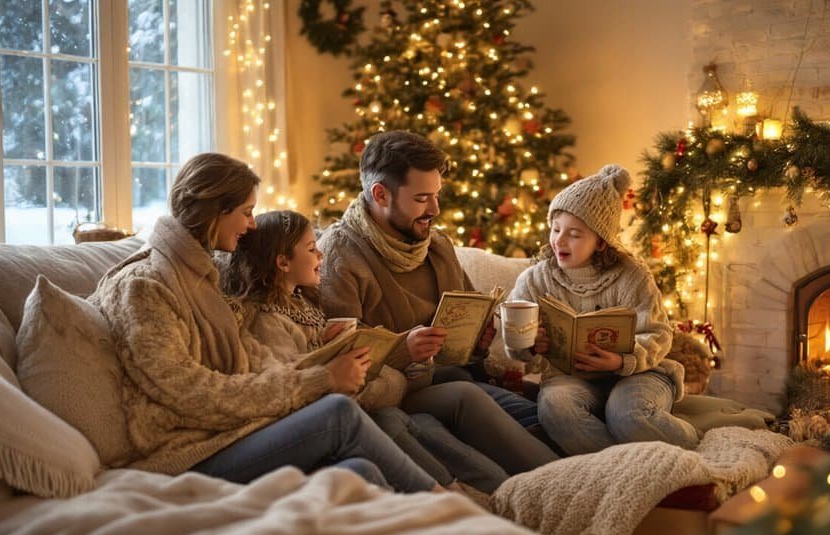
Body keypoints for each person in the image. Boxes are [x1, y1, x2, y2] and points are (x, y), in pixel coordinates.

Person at [90, 152, 440, 492]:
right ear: (215, 211)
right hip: (184, 454)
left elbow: (251, 356)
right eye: (246, 212)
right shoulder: (144, 286)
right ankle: (449, 505)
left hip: (231, 433)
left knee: (359, 472)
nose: (253, 224)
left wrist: (323, 347)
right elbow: (188, 392)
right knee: (338, 413)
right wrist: (319, 381)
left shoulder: (204, 276)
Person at [224, 209, 554, 490]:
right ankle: (472, 492)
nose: (320, 255)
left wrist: (464, 345)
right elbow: (308, 388)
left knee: (525, 404)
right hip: (379, 395)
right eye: (312, 249)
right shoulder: (326, 273)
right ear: (282, 262)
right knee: (429, 409)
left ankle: (540, 478)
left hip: (404, 382)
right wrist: (401, 356)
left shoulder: (306, 303)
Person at [317, 130, 540, 430]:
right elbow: (340, 360)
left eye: (437, 195)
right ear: (380, 194)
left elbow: (468, 330)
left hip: (456, 379)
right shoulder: (338, 256)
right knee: (472, 399)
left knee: (542, 415)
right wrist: (403, 351)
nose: (435, 210)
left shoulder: (437, 245)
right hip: (401, 396)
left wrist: (477, 343)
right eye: (422, 198)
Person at [505, 164, 700, 455]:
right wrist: (531, 345)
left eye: (574, 234)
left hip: (639, 374)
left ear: (600, 242)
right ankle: (623, 469)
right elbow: (515, 346)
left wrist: (621, 362)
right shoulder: (534, 279)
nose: (559, 240)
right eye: (556, 229)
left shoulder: (632, 275)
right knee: (555, 408)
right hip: (569, 380)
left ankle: (693, 439)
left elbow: (659, 334)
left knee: (628, 417)